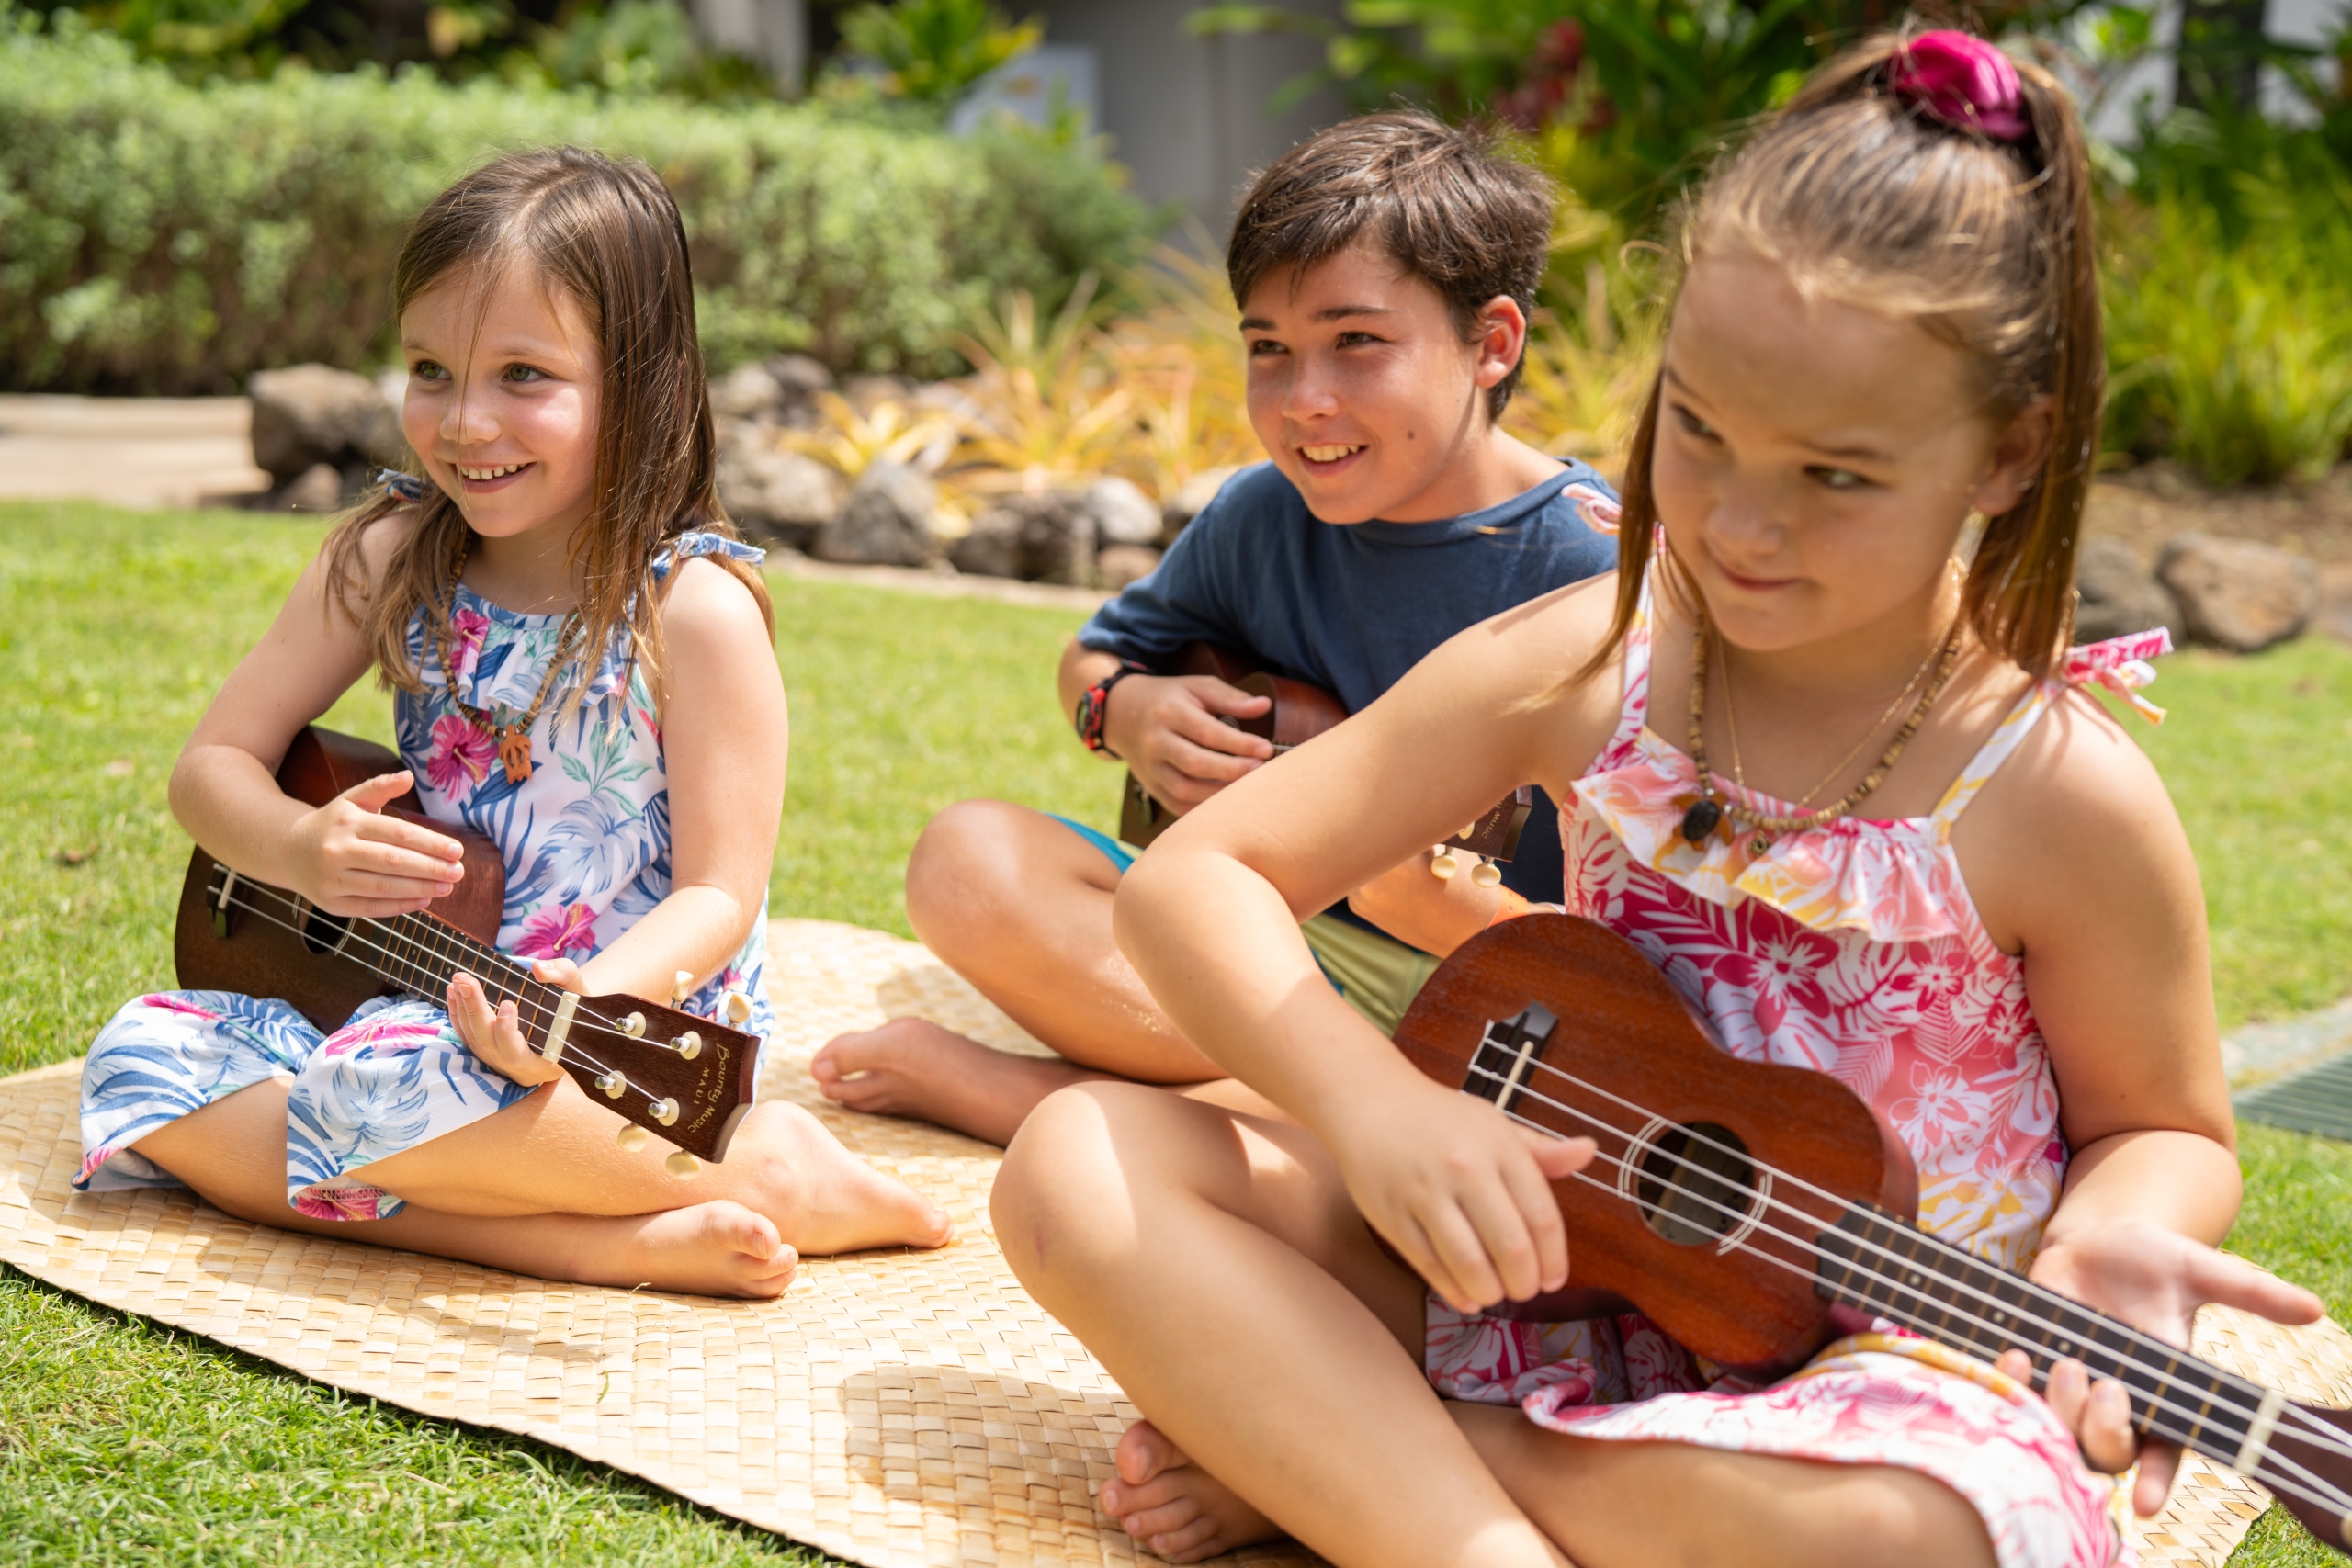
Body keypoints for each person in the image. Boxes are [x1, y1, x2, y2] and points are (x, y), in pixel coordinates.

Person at [990, 32, 2325, 1568]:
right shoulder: (1590, 661)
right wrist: (1374, 1116)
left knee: (1918, 1536)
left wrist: (2109, 1231)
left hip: (1877, 1381)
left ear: (2009, 452)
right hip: (1549, 1276)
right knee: (1081, 1163)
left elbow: (2165, 1122)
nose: (1741, 524)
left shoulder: (2057, 789)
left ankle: (1357, 1466)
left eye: (1834, 476)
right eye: (1696, 431)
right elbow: (1194, 881)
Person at [75, 148, 950, 1300]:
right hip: (407, 1004)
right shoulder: (386, 557)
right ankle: (616, 1237)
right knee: (140, 1060)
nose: (465, 421)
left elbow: (717, 895)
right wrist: (297, 850)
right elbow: (211, 768)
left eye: (523, 376)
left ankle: (754, 1157)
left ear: (637, 385)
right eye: (431, 370)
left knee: (349, 1105)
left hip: (623, 1041)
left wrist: (580, 1003)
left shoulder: (693, 612)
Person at [811, 113, 1621, 1145]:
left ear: (1491, 344)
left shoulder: (1594, 574)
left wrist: (1435, 910)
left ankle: (1051, 1099)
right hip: (1245, 942)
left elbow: (1660, 948)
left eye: (1356, 343)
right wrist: (1126, 709)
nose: (1304, 401)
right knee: (963, 860)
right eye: (1268, 351)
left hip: (1487, 1013)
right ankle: (1301, 1118)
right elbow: (1095, 657)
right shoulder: (1263, 514)